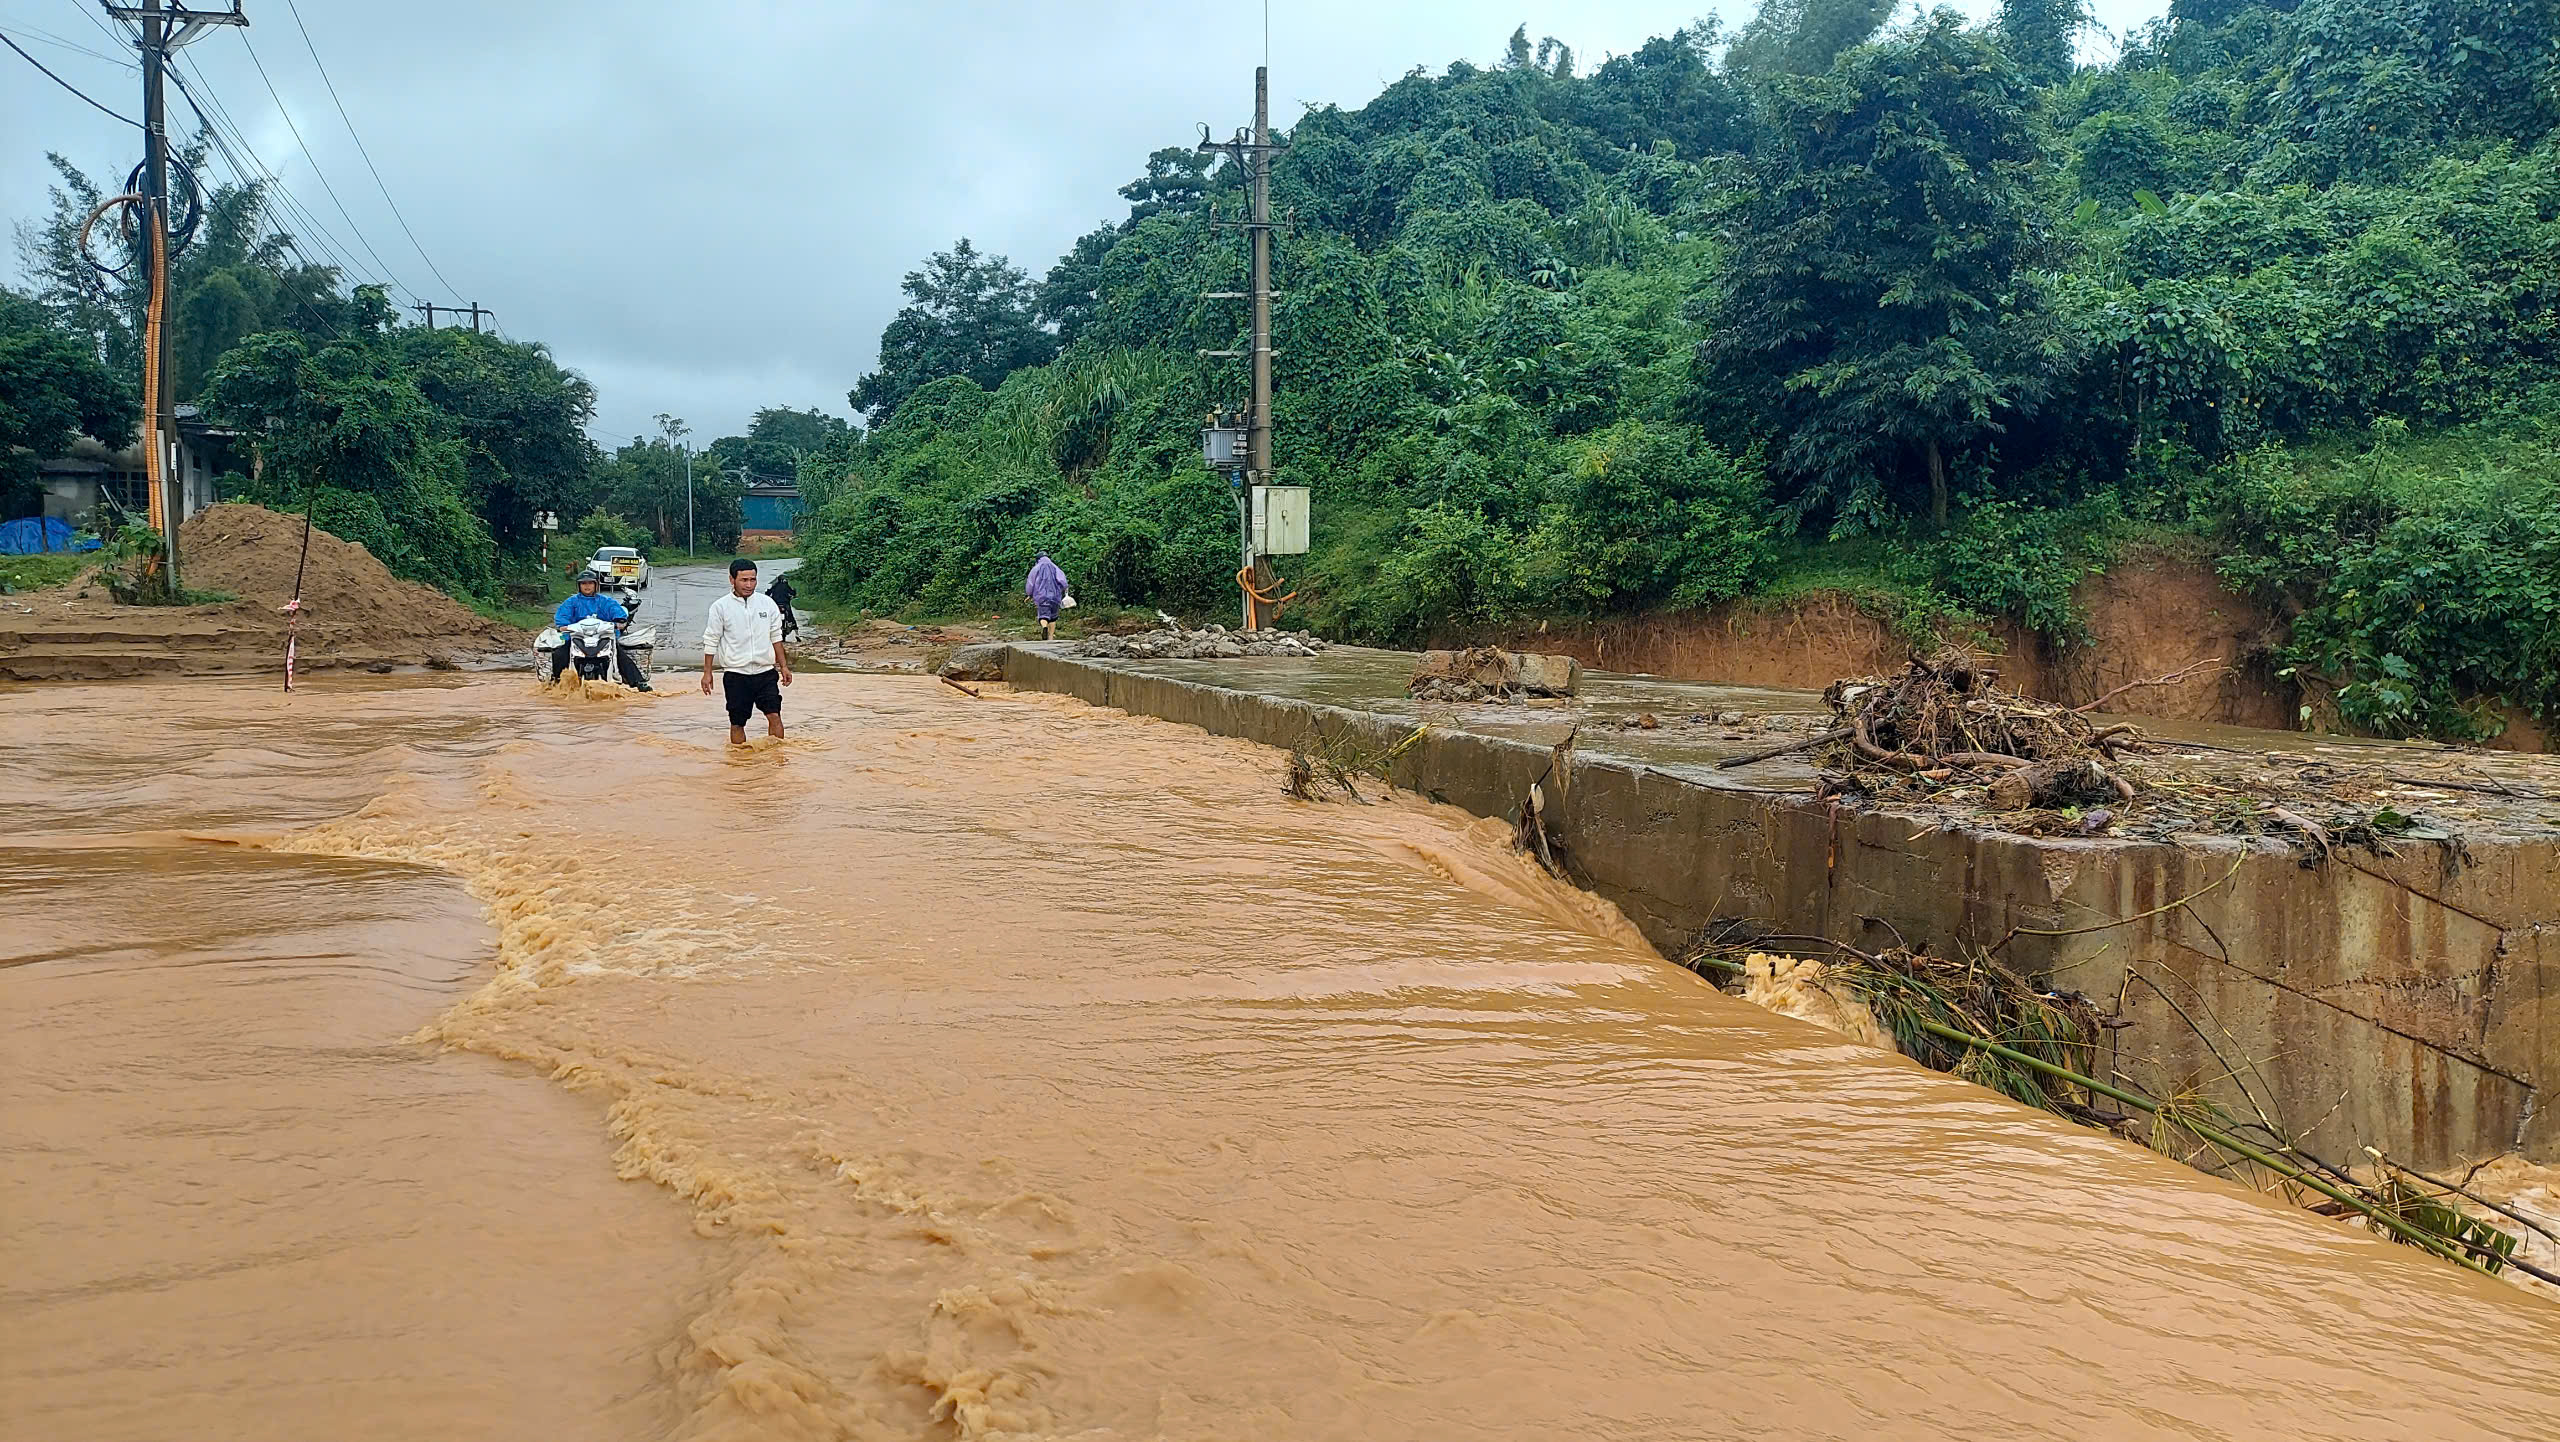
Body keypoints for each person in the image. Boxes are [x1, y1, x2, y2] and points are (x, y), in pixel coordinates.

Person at [701, 557, 791, 744]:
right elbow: (711, 640)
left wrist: (784, 667)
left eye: (753, 580)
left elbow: (776, 637)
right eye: (744, 580)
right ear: (732, 580)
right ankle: (740, 766)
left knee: (774, 715)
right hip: (736, 675)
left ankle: (777, 762)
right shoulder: (720, 607)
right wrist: (707, 672)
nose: (749, 585)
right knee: (737, 723)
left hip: (765, 672)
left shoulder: (767, 604)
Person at [548, 568, 652, 690]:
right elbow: (562, 618)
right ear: (579, 585)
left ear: (596, 584)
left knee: (620, 655)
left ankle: (639, 682)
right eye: (583, 583)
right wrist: (563, 626)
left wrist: (620, 622)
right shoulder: (571, 602)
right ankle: (554, 682)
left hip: (603, 639)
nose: (587, 586)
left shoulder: (606, 601)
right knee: (560, 654)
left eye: (590, 583)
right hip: (577, 639)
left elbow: (618, 614)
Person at [1025, 552, 1070, 641]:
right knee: (1053, 618)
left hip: (1041, 596)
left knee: (1043, 616)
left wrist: (1029, 594)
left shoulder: (1036, 568)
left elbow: (1031, 583)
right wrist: (1064, 589)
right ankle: (1051, 637)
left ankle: (1044, 627)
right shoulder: (1055, 567)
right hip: (1055, 596)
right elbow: (1063, 581)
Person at [764, 573, 801, 641]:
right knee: (790, 617)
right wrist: (794, 593)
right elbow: (792, 592)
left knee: (773, 618)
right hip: (785, 604)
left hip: (776, 605)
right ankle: (796, 633)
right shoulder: (785, 586)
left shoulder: (774, 586)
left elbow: (768, 593)